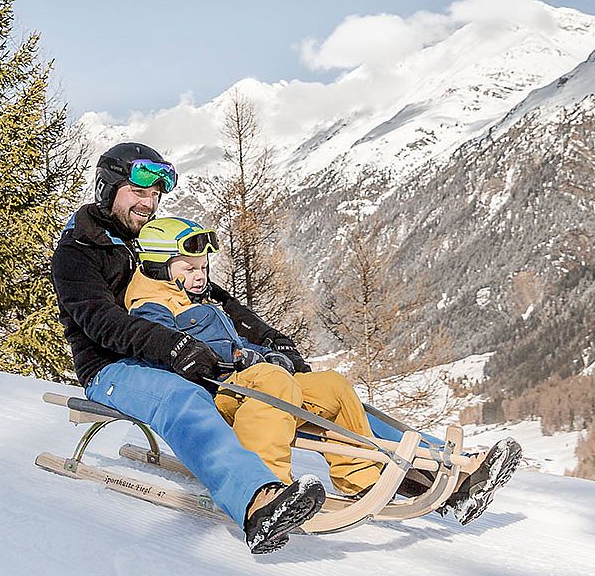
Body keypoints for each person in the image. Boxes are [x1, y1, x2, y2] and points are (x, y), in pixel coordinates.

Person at [131, 215, 523, 525]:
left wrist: (268, 351)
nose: (201, 274)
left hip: (249, 379)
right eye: (189, 266)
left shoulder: (195, 295)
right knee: (271, 380)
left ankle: (361, 477)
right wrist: (242, 361)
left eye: (204, 265)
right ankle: (269, 489)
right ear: (158, 264)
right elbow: (169, 352)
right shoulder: (151, 303)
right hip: (220, 392)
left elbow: (237, 343)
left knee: (331, 385)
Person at [51, 142, 325, 554]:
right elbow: (100, 321)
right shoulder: (78, 251)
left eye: (155, 195)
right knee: (185, 400)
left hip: (170, 356)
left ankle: (416, 469)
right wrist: (173, 346)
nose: (149, 203)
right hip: (112, 368)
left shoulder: (150, 244)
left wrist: (270, 339)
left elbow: (218, 300)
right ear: (108, 189)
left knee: (312, 387)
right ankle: (256, 502)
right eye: (139, 192)